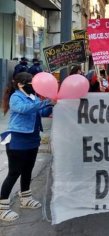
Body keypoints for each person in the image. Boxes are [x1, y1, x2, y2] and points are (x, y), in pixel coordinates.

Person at [0, 72, 55, 222]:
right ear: (20, 84)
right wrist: (46, 101)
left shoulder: (33, 97)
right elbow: (25, 109)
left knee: (27, 170)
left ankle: (26, 198)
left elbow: (40, 111)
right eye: (31, 83)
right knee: (14, 172)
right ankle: (2, 207)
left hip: (33, 138)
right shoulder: (16, 97)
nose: (34, 85)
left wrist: (51, 106)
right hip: (18, 140)